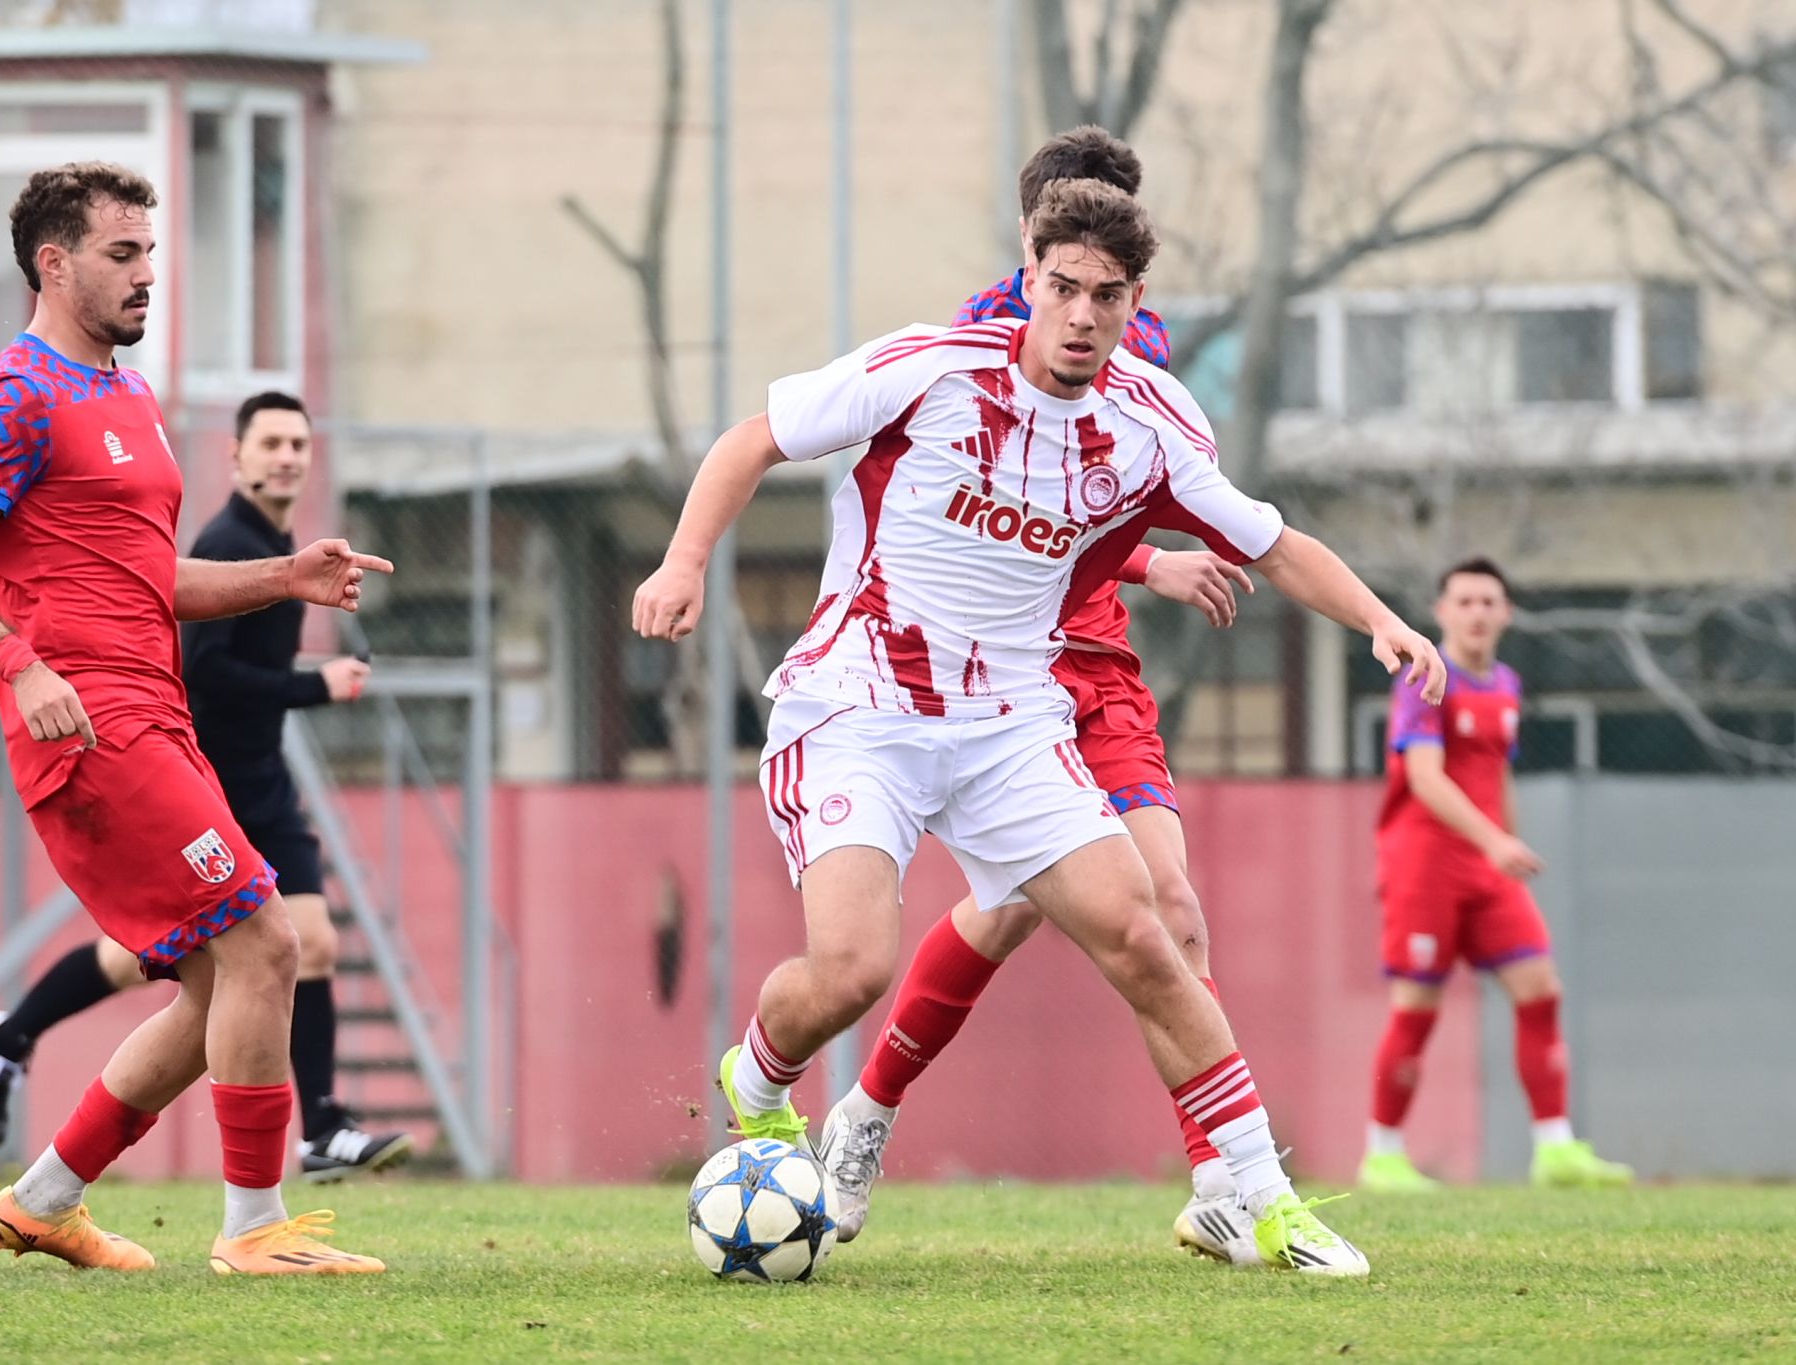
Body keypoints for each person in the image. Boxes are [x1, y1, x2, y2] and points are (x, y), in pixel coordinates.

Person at [635, 175, 1448, 1275]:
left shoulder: (1151, 422)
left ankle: (1259, 1198)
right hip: (857, 708)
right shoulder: (929, 367)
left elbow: (1271, 541)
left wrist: (1380, 621)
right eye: (1060, 288)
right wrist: (684, 562)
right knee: (850, 969)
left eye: (1102, 297)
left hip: (1011, 727)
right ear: (1028, 274)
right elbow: (751, 440)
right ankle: (760, 1075)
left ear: (1131, 302)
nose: (1078, 316)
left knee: (1146, 935)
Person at [0, 161, 389, 1274]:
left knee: (221, 977)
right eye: (123, 255)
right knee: (266, 941)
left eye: (151, 254)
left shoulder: (124, 397)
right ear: (53, 263)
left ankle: (43, 1199)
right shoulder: (16, 394)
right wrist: (21, 667)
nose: (147, 276)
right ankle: (255, 1231)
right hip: (89, 727)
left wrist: (284, 577)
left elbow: (143, 580)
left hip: (156, 716)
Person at [813, 125, 1266, 1266]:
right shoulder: (989, 334)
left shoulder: (1137, 339)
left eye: (1111, 263)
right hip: (986, 659)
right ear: (1030, 242)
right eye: (1065, 253)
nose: (1087, 297)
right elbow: (1000, 504)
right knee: (1013, 907)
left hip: (1092, 657)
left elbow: (1113, 488)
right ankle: (864, 1113)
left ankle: (1223, 1181)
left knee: (1170, 905)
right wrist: (1154, 561)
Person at [0, 390, 411, 1184]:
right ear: (233, 458)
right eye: (269, 441)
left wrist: (291, 590)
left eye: (299, 443)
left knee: (285, 947)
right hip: (200, 769)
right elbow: (208, 670)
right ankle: (11, 1041)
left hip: (259, 776)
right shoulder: (222, 537)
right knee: (183, 957)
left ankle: (318, 1128)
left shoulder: (276, 544)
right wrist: (314, 684)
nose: (286, 456)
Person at [1359, 557, 1633, 1191]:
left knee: (1540, 987)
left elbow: (1496, 771)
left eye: (1490, 601)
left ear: (1506, 613)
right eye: (1466, 601)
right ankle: (1381, 1154)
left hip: (1487, 867)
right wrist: (1494, 840)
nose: (1478, 612)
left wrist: (1504, 844)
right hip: (1424, 866)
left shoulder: (1505, 683)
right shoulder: (1423, 680)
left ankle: (1556, 1149)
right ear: (1442, 612)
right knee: (1417, 1007)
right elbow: (1426, 779)